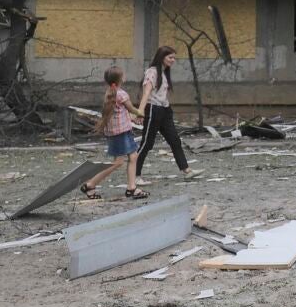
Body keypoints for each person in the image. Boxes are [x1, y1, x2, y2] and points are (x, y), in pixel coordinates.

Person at [80, 67, 148, 199]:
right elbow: (131, 108)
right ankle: (90, 185)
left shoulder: (110, 93)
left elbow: (120, 113)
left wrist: (132, 118)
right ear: (121, 79)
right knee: (118, 162)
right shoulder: (122, 94)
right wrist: (140, 113)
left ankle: (131, 188)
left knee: (133, 157)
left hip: (117, 131)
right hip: (121, 132)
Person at [135, 46, 204, 179]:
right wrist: (140, 111)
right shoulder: (152, 72)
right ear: (162, 57)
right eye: (170, 57)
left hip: (165, 110)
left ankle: (187, 170)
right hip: (153, 109)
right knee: (147, 143)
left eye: (174, 58)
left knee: (175, 140)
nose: (173, 60)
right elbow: (146, 93)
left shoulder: (164, 73)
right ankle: (135, 175)